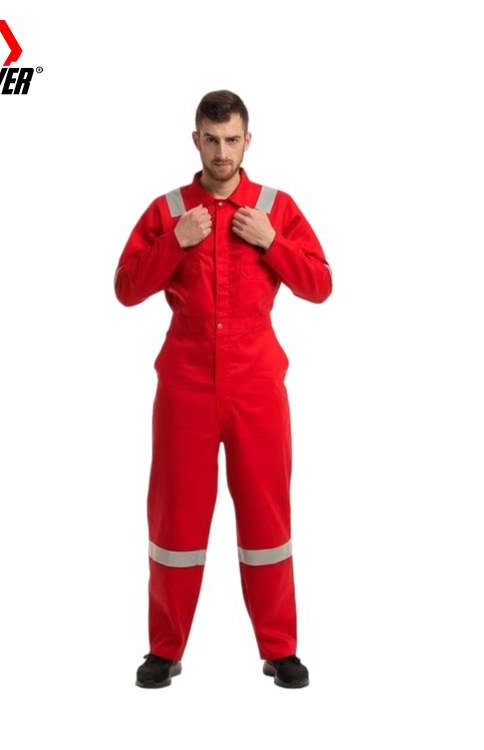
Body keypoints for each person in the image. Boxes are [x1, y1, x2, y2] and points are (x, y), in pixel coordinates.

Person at [114, 90, 332, 689]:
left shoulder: (274, 207)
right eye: (211, 140)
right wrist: (174, 241)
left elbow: (320, 285)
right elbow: (126, 288)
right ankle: (164, 649)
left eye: (232, 139)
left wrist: (272, 241)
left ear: (247, 141)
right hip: (184, 383)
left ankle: (280, 649)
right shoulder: (169, 210)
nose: (221, 152)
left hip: (257, 383)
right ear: (195, 140)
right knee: (175, 521)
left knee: (266, 518)